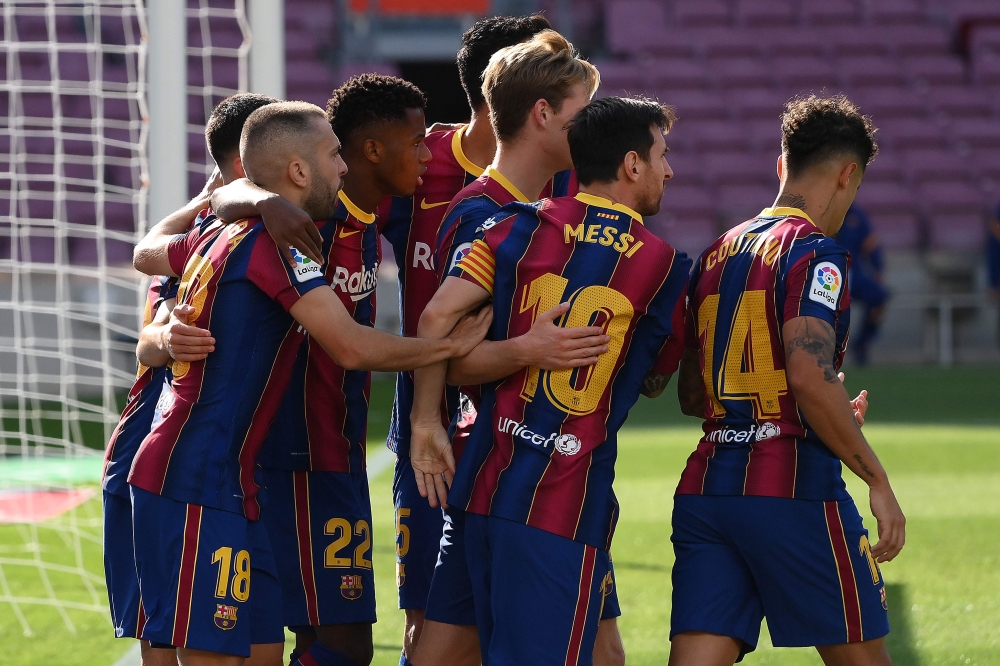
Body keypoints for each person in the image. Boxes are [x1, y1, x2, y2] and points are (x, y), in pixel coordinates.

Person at [127, 101, 491, 666]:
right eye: (331, 156)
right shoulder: (270, 239)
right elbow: (350, 344)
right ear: (299, 172)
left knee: (263, 651)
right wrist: (449, 347)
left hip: (236, 482)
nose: (341, 166)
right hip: (193, 474)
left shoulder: (250, 231)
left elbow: (162, 249)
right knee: (207, 654)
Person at [413, 96, 691, 666]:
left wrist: (426, 419)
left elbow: (437, 323)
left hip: (480, 488)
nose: (670, 170)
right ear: (632, 165)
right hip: (561, 503)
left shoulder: (512, 226)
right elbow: (657, 381)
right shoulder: (663, 267)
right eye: (662, 155)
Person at [669, 94, 905, 666]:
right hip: (793, 489)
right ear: (848, 174)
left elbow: (693, 393)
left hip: (708, 489)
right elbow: (806, 373)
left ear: (782, 165)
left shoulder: (715, 254)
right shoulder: (817, 255)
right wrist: (874, 477)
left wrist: (798, 407)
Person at [102, 92, 276, 666]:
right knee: (173, 635)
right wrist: (165, 340)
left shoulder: (270, 227)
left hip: (239, 463)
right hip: (170, 457)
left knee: (249, 641)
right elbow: (147, 340)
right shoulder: (208, 237)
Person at [836, 204, 888, 364]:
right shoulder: (825, 211)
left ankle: (862, 344)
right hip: (830, 274)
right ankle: (832, 349)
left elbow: (870, 244)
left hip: (855, 274)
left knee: (880, 298)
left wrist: (877, 269)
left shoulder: (857, 215)